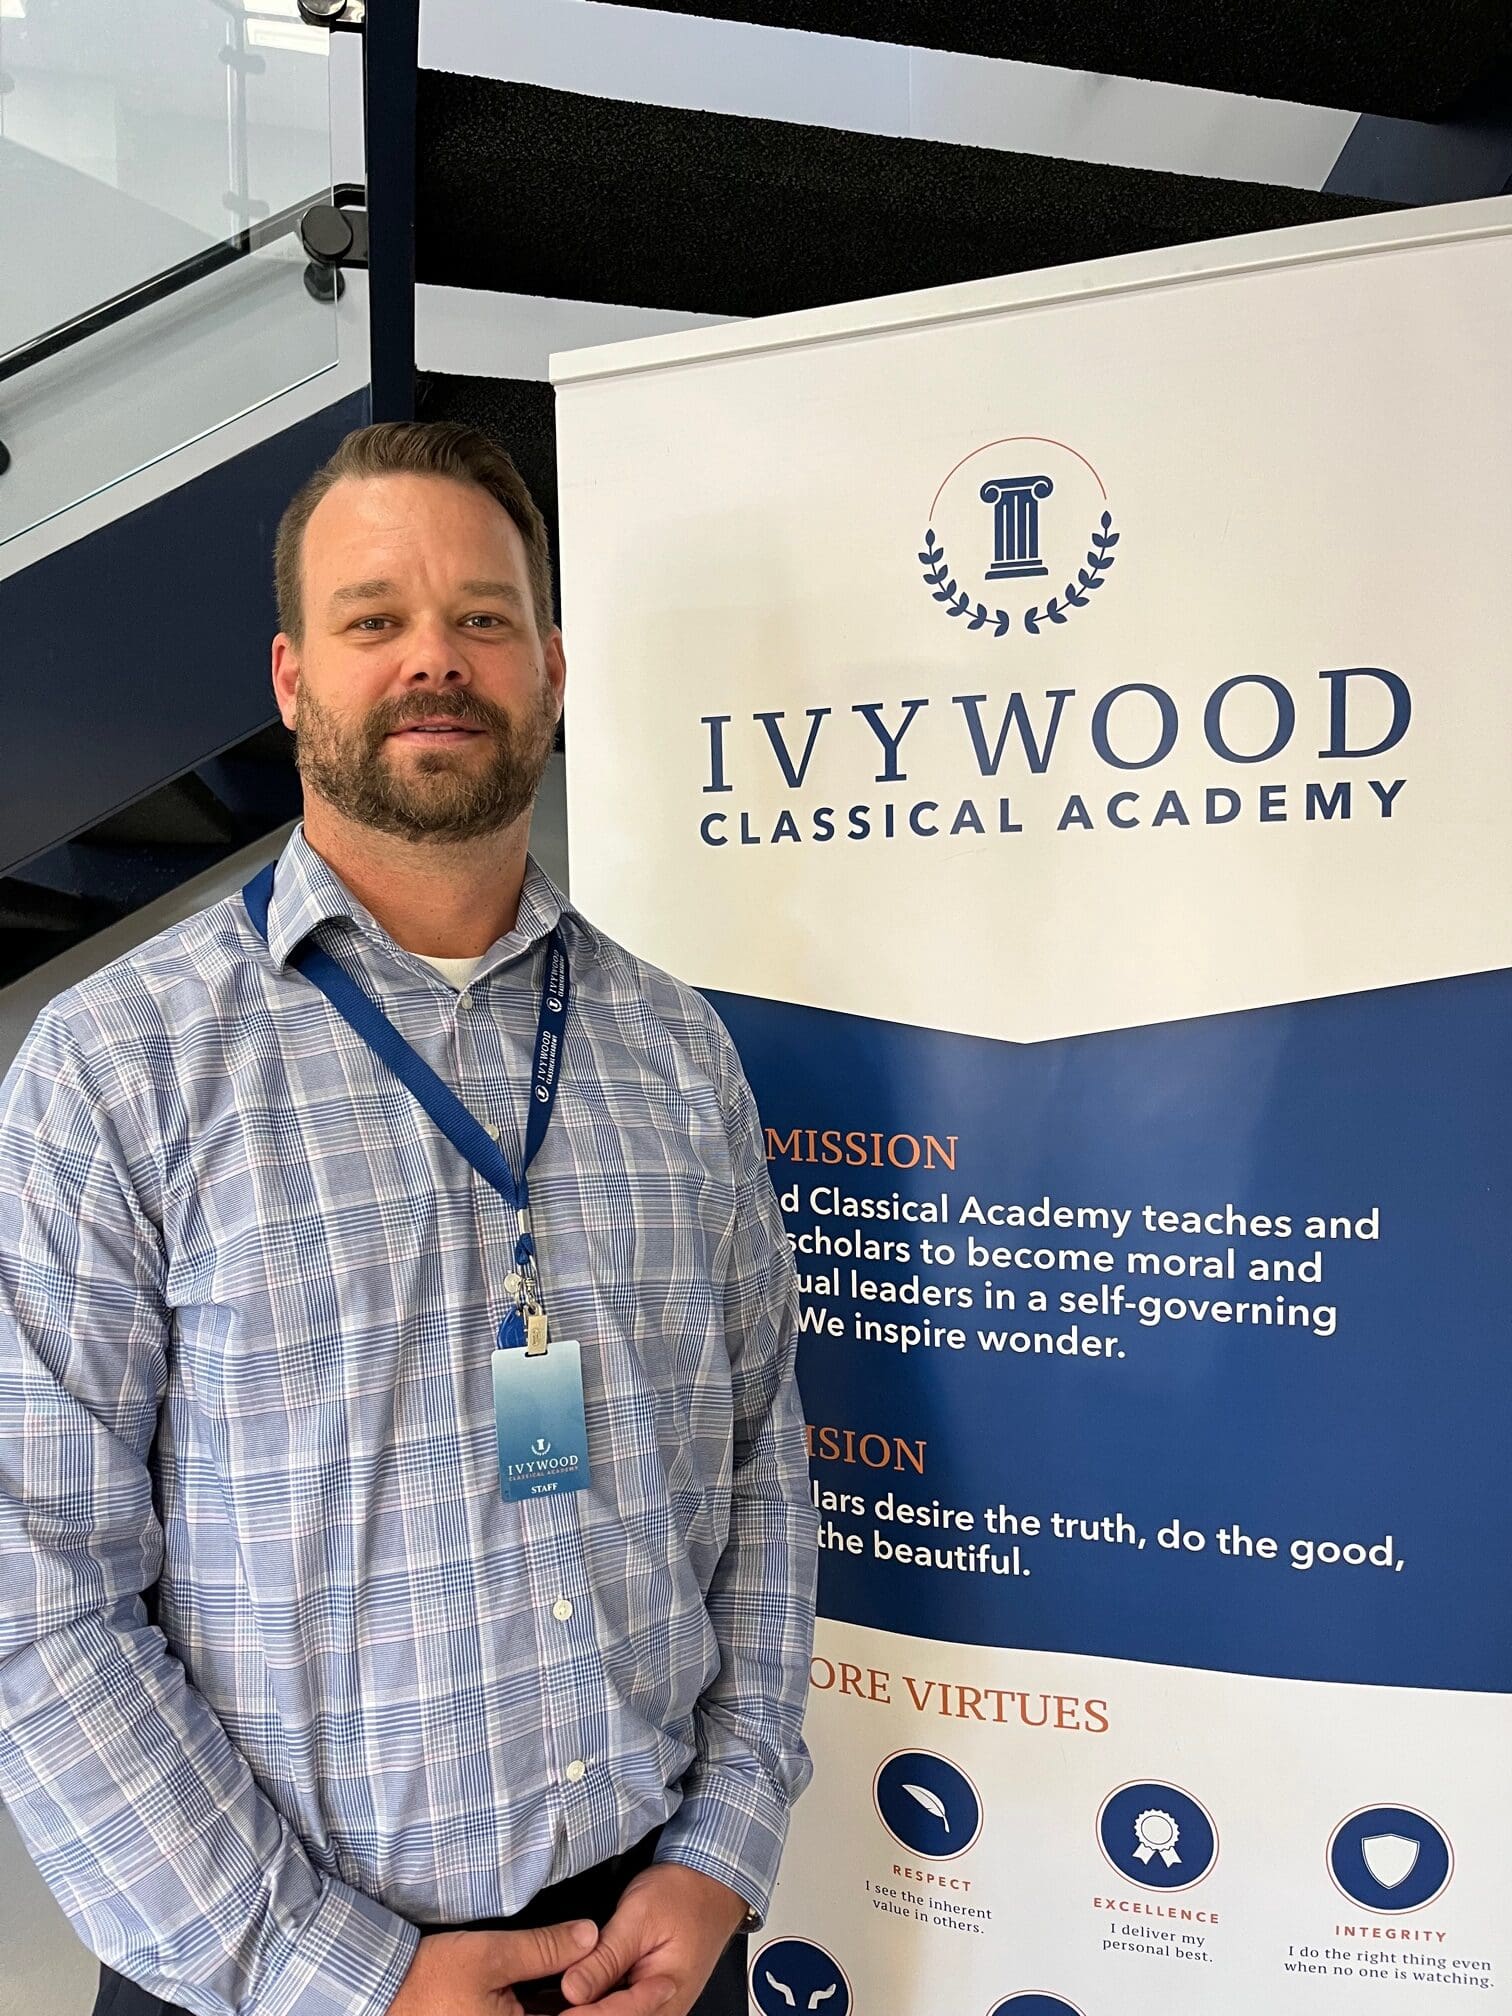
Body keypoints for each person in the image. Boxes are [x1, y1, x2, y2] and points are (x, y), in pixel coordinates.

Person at [0, 422, 818, 2016]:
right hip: (280, 1974)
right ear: (295, 678)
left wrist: (727, 1841)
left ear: (552, 669)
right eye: (376, 619)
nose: (434, 658)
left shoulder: (676, 1050)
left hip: (649, 1949)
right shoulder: (117, 1068)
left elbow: (761, 1464)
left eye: (484, 618)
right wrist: (338, 1978)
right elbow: (37, 1593)